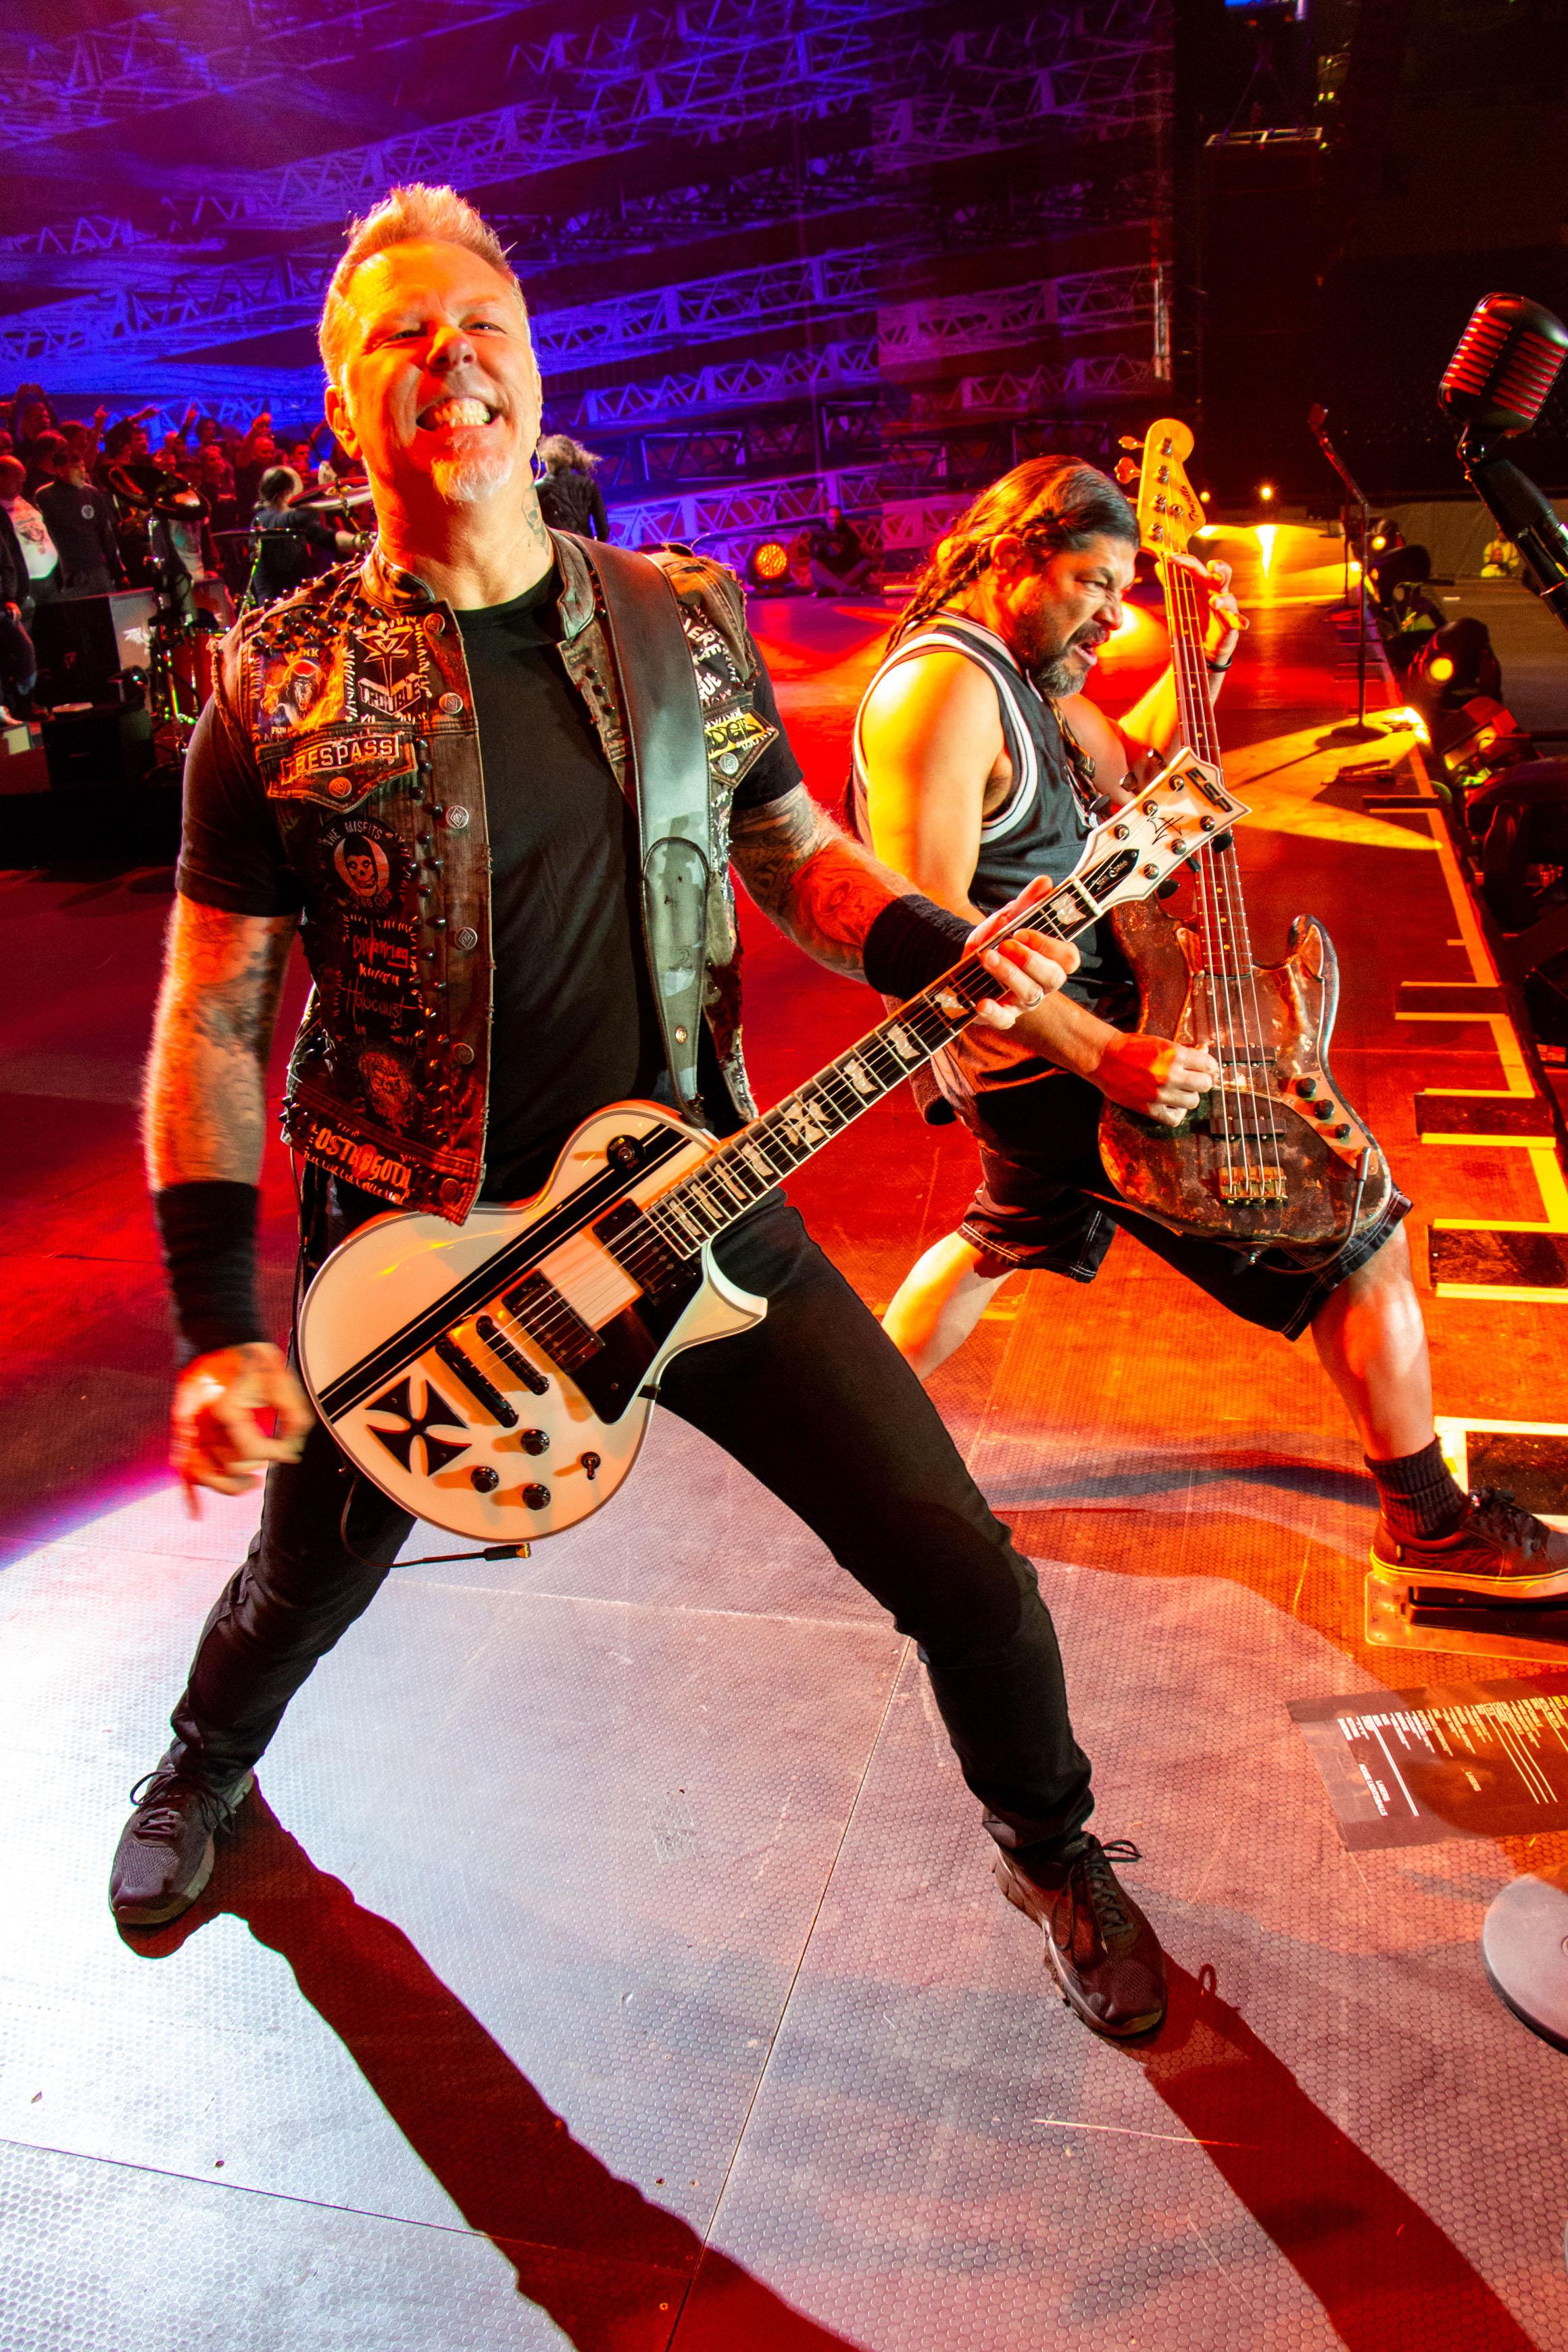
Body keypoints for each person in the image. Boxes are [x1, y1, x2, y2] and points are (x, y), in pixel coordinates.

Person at [109, 182, 1169, 2044]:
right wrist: (214, 1321)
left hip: (696, 1195)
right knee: (303, 1573)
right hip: (418, 1263)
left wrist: (941, 945)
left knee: (957, 1560)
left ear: (534, 369)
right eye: (401, 336)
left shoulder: (677, 619)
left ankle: (1052, 1838)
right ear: (343, 401)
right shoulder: (270, 683)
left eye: (482, 328)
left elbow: (798, 856)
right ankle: (202, 1765)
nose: (451, 359)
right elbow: (212, 1015)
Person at [852, 457, 1568, 1598]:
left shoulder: (1019, 674)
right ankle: (1430, 1527)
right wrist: (1108, 1059)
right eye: (1094, 583)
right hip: (1058, 1061)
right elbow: (928, 946)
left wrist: (1209, 660)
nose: (1111, 614)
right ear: (1015, 558)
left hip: (1079, 1038)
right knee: (1351, 1222)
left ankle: (847, 1444)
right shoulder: (944, 691)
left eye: (1122, 590)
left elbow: (1120, 765)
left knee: (1006, 1230)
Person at [247, 463, 359, 603]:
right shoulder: (265, 519)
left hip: (296, 599)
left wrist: (359, 542)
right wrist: (322, 491)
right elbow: (299, 518)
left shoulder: (288, 521)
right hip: (278, 605)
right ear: (285, 494)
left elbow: (326, 537)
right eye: (299, 492)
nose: (302, 497)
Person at [36, 438, 126, 596]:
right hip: (69, 573)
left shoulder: (91, 493)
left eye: (83, 466)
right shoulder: (45, 496)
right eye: (75, 467)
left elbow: (105, 533)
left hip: (97, 568)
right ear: (59, 470)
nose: (81, 472)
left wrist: (117, 570)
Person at [0, 454, 61, 610]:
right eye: (16, 478)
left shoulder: (27, 498)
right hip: (25, 586)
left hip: (51, 579)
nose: (21, 483)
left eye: (23, 478)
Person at [533, 433, 609, 539]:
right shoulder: (589, 485)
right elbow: (603, 530)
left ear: (547, 460)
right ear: (573, 459)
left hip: (555, 547)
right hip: (583, 545)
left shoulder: (537, 489)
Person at [808, 506, 873, 595]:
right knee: (813, 564)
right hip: (827, 577)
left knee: (867, 563)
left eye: (837, 519)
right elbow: (815, 557)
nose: (834, 522)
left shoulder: (849, 534)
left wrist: (843, 551)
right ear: (826, 518)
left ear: (841, 519)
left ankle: (833, 590)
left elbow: (856, 558)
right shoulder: (818, 536)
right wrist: (823, 548)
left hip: (846, 574)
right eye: (831, 518)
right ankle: (845, 589)